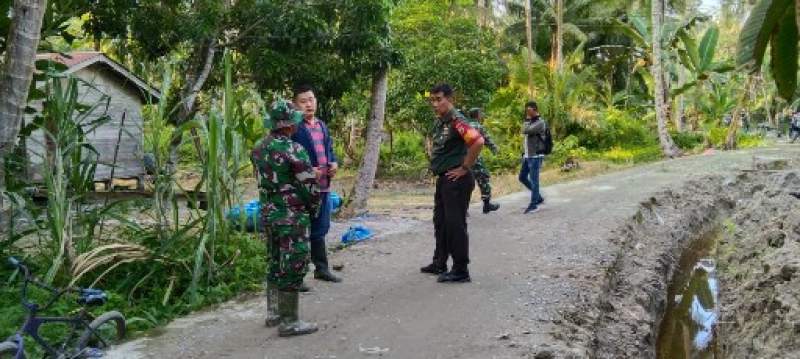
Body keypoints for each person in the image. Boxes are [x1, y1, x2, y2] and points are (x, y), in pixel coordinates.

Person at [251, 99, 320, 337]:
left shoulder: (259, 148)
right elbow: (309, 185)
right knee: (293, 261)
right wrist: (315, 207)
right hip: (291, 215)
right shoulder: (293, 149)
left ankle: (273, 313)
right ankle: (289, 321)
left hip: (269, 212)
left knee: (274, 259)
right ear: (290, 125)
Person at [420, 83, 485, 283]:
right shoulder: (442, 121)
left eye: (439, 99)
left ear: (450, 99)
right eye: (432, 99)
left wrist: (465, 167)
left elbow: (477, 141)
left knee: (455, 224)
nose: (435, 103)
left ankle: (460, 269)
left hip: (457, 180)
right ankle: (440, 262)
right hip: (445, 179)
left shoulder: (457, 121)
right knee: (440, 221)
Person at [291, 84, 342, 283]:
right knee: (300, 231)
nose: (308, 104)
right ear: (296, 105)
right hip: (302, 190)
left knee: (321, 229)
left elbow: (329, 149)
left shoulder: (321, 125)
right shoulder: (294, 129)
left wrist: (334, 162)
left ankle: (321, 269)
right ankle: (297, 276)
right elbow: (288, 157)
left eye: (311, 100)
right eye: (303, 101)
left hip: (323, 187)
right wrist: (306, 170)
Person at [466, 108, 500, 214]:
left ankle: (463, 209)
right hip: (475, 158)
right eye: (481, 114)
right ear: (478, 115)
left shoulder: (464, 125)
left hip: (462, 159)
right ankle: (487, 205)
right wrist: (495, 149)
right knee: (483, 179)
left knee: (466, 183)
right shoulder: (478, 126)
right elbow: (487, 140)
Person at [522, 101, 547, 214]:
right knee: (522, 177)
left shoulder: (540, 122)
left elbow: (526, 130)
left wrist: (527, 120)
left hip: (536, 156)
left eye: (529, 110)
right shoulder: (531, 121)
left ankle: (534, 204)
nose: (527, 112)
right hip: (528, 156)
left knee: (534, 180)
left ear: (535, 109)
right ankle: (538, 197)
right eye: (526, 110)